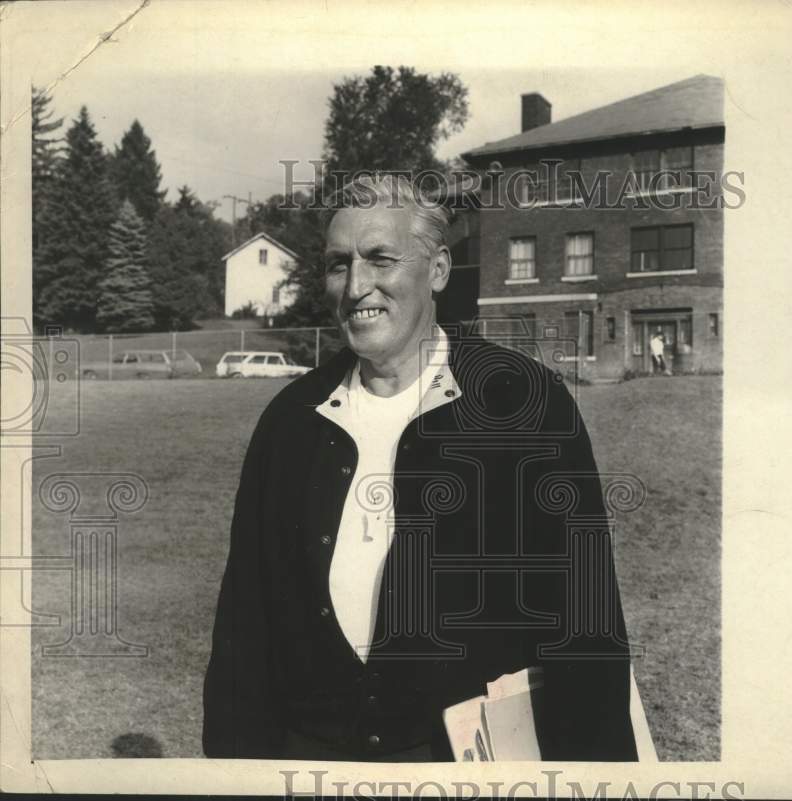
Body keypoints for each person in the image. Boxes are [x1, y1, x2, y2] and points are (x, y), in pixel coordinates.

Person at [202, 175, 637, 762]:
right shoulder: (290, 421)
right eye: (338, 265)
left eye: (381, 259)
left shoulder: (522, 402)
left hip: (467, 767)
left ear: (436, 270)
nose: (357, 287)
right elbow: (243, 632)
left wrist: (596, 774)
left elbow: (586, 627)